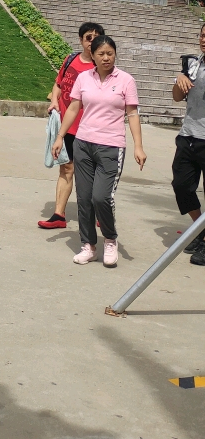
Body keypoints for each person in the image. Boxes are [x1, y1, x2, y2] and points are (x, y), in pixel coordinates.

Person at [52, 35, 146, 267]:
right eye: (101, 54)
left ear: (115, 55)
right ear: (92, 55)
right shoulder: (84, 78)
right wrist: (60, 136)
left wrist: (139, 146)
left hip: (111, 146)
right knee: (84, 198)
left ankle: (110, 239)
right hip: (83, 143)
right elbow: (74, 108)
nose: (106, 58)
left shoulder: (125, 80)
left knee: (101, 197)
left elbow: (132, 114)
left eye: (110, 53)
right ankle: (88, 246)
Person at [38, 22, 105, 230]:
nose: (91, 40)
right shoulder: (70, 60)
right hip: (67, 127)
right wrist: (54, 101)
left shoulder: (100, 68)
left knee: (91, 174)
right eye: (88, 37)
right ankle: (59, 214)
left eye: (96, 37)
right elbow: (58, 84)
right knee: (66, 169)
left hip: (89, 129)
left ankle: (100, 215)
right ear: (81, 39)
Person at [171, 22, 205, 266]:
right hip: (188, 135)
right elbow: (176, 96)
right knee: (182, 186)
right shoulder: (193, 64)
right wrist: (179, 78)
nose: (204, 39)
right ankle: (200, 229)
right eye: (202, 35)